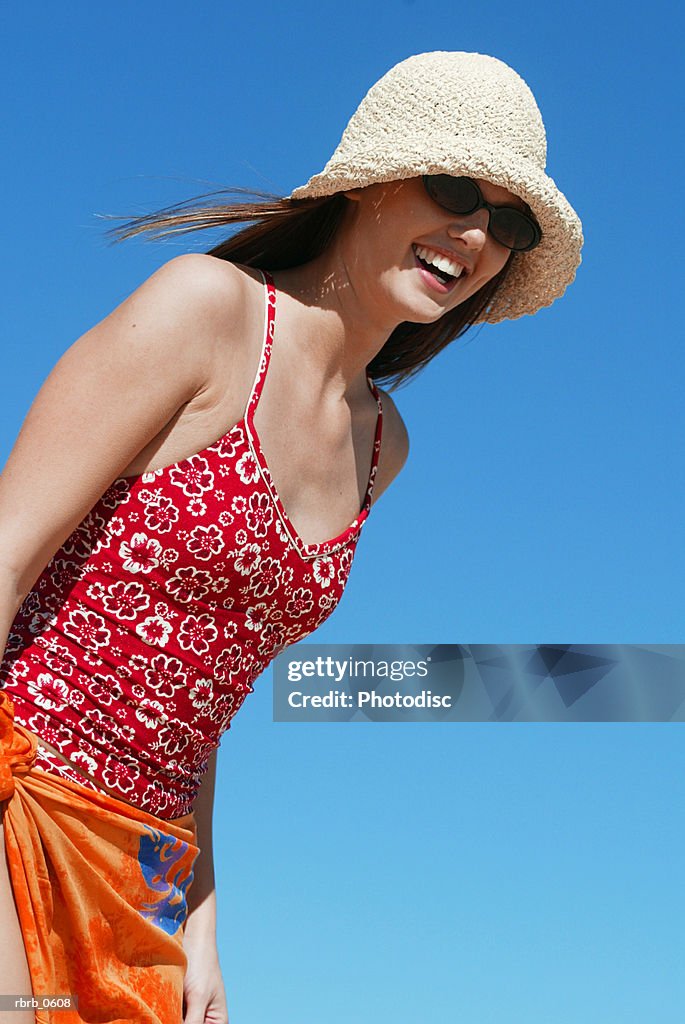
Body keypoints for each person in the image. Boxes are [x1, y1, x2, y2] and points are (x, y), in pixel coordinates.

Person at [0, 51, 582, 1024]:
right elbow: (8, 551)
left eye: (507, 222)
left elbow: (204, 693)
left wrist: (201, 921)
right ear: (371, 184)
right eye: (453, 189)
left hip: (146, 868)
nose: (476, 234)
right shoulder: (206, 311)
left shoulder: (381, 450)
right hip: (23, 792)